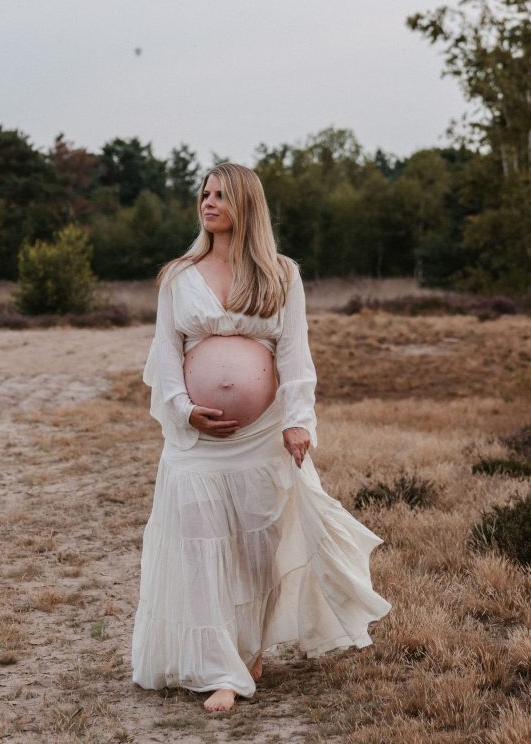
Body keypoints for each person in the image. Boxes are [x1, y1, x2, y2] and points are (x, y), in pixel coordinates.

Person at [131, 163, 391, 712]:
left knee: (258, 546)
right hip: (195, 440)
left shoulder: (280, 274)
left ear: (246, 204)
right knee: (200, 542)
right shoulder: (179, 275)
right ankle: (220, 668)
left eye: (221, 194)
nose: (208, 201)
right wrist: (184, 409)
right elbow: (165, 355)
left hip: (263, 435)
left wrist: (300, 421)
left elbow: (295, 356)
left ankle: (249, 648)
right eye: (204, 193)